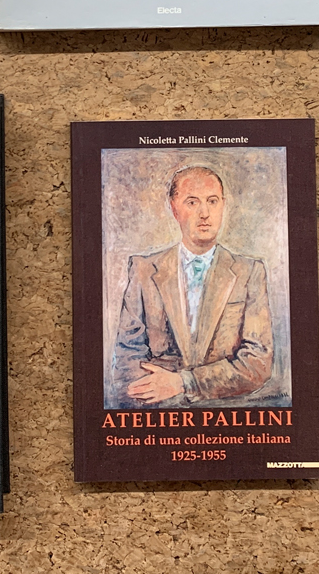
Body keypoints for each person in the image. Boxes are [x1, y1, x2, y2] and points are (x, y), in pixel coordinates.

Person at [109, 165, 274, 407]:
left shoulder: (249, 272)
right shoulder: (144, 270)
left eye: (212, 201)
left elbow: (257, 364)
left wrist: (183, 383)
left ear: (223, 206)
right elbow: (126, 359)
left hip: (227, 412)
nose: (204, 213)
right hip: (158, 412)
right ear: (174, 208)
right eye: (192, 202)